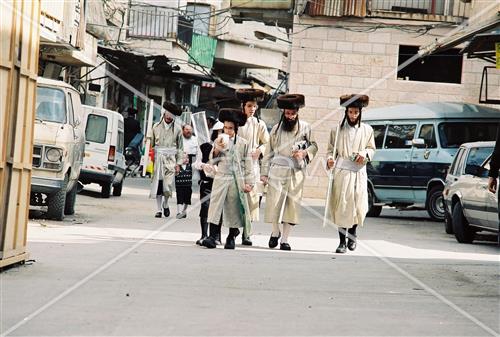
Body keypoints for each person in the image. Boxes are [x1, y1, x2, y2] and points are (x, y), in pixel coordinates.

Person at [261, 94, 318, 251]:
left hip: (296, 171)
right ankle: (275, 232)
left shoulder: (306, 127)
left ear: (297, 112)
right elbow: (268, 152)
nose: (290, 117)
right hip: (277, 170)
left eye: (293, 114)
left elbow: (314, 145)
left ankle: (285, 239)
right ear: (283, 113)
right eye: (287, 114)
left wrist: (305, 153)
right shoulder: (276, 129)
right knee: (273, 203)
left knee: (291, 206)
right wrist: (264, 173)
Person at [326, 94, 375, 254]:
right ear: (346, 112)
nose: (353, 115)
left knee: (356, 205)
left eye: (356, 112)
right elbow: (330, 150)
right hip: (342, 172)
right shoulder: (337, 130)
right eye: (351, 112)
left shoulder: (367, 130)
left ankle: (352, 235)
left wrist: (365, 154)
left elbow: (371, 149)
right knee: (342, 206)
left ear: (360, 113)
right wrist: (330, 159)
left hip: (358, 172)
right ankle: (341, 242)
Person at [201, 108, 254, 250]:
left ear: (236, 128)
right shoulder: (219, 140)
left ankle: (231, 236)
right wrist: (217, 149)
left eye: (230, 128)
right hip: (221, 176)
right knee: (215, 205)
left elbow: (248, 164)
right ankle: (212, 237)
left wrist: (249, 183)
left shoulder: (243, 143)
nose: (228, 130)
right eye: (225, 127)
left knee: (234, 207)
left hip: (236, 179)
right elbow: (212, 160)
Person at [235, 88, 270, 246]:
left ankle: (247, 233)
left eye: (255, 106)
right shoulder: (236, 121)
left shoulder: (259, 124)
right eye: (249, 106)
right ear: (243, 106)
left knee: (251, 199)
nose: (252, 109)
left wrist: (260, 150)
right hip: (237, 163)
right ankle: (233, 229)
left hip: (253, 164)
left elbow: (268, 143)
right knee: (235, 198)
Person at [148, 101, 184, 218]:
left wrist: (178, 163)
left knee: (167, 186)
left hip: (171, 161)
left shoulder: (178, 129)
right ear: (164, 112)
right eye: (168, 113)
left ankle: (166, 203)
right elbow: (151, 144)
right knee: (158, 186)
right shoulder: (155, 127)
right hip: (158, 159)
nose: (169, 117)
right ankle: (158, 210)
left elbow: (180, 148)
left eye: (172, 115)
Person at [193, 118, 224, 245]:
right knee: (205, 208)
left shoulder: (228, 149)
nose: (221, 135)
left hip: (221, 182)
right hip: (206, 182)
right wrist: (203, 166)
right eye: (219, 132)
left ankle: (217, 236)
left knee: (219, 209)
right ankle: (204, 235)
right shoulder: (205, 146)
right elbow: (196, 163)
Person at [175, 124, 198, 219]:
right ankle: (179, 211)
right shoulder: (180, 138)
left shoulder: (194, 139)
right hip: (180, 159)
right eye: (187, 129)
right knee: (180, 188)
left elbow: (197, 151)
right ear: (183, 130)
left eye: (190, 130)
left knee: (188, 188)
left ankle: (184, 210)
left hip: (191, 160)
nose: (189, 131)